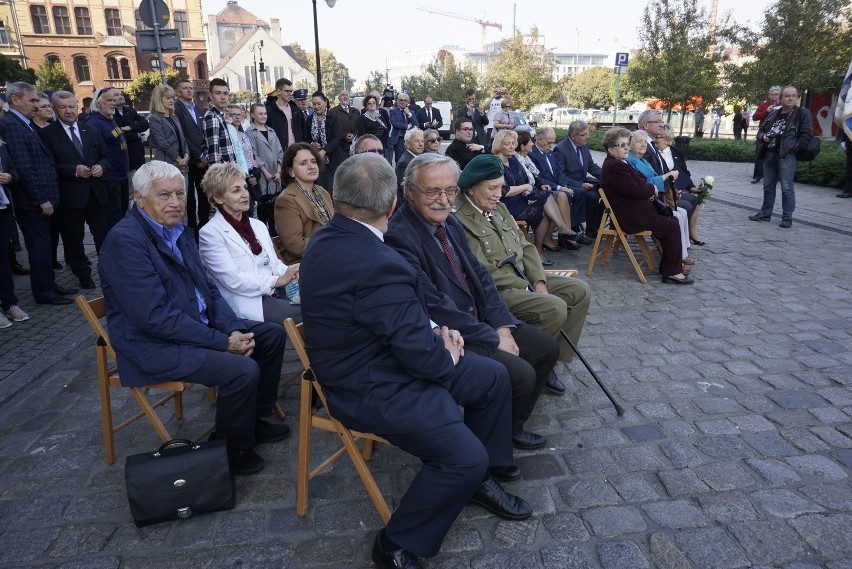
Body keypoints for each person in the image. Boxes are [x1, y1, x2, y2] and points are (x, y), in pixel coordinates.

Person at [300, 152, 531, 569]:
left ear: (337, 200)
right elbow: (424, 359)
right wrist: (442, 345)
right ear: (393, 204)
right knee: (463, 456)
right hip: (368, 383)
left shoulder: (329, 237)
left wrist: (436, 332)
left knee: (493, 378)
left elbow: (390, 317)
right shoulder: (379, 260)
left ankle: (482, 479)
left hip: (380, 355)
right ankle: (396, 544)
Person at [98, 160, 290, 475]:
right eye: (164, 195)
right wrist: (222, 342)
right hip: (152, 344)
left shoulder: (180, 231)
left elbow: (209, 291)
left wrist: (235, 329)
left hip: (192, 328)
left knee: (269, 336)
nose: (175, 202)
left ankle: (253, 419)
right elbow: (155, 318)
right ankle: (232, 448)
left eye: (179, 194)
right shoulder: (126, 242)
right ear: (140, 199)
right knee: (240, 369)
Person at [386, 153, 559, 452]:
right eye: (432, 192)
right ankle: (486, 453)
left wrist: (502, 326)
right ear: (410, 192)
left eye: (450, 190)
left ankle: (510, 427)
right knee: (519, 373)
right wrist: (492, 338)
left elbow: (481, 277)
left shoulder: (449, 223)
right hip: (451, 333)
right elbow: (433, 304)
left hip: (479, 320)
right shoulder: (400, 235)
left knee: (546, 349)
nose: (443, 199)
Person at [453, 154, 591, 395]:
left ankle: (552, 360)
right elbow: (480, 270)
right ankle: (534, 363)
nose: (499, 193)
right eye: (492, 187)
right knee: (554, 307)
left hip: (523, 279)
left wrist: (538, 281)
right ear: (473, 188)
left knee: (579, 291)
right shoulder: (459, 219)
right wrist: (525, 285)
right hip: (498, 290)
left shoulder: (499, 208)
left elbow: (525, 247)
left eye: (501, 186)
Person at [199, 162, 300, 327]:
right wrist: (278, 280)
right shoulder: (210, 233)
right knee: (309, 312)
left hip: (275, 293)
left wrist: (291, 272)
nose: (245, 194)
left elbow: (274, 264)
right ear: (218, 198)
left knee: (323, 299)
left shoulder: (257, 225)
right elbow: (234, 280)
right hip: (249, 302)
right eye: (236, 190)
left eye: (245, 187)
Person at [0, 81, 75, 305]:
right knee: (39, 247)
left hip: (42, 197)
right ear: (15, 100)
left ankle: (49, 284)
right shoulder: (12, 125)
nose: (36, 105)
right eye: (32, 100)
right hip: (31, 202)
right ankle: (43, 291)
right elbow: (24, 167)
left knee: (45, 245)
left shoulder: (25, 123)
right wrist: (41, 199)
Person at [599, 128, 692, 285]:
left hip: (636, 211)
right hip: (631, 216)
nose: (626, 147)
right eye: (621, 145)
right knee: (671, 225)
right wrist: (652, 189)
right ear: (610, 149)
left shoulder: (619, 163)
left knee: (672, 221)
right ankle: (672, 271)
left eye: (627, 143)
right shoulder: (615, 166)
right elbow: (636, 189)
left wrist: (649, 188)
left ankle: (672, 268)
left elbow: (639, 182)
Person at [40, 91, 110, 290]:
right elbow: (48, 165)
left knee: (102, 235)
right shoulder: (46, 134)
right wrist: (74, 170)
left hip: (96, 193)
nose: (68, 111)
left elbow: (105, 157)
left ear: (77, 106)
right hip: (70, 197)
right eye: (63, 107)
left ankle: (108, 271)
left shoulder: (90, 130)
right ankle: (83, 275)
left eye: (72, 106)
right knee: (74, 238)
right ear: (55, 109)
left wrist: (101, 167)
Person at [493, 130, 579, 266]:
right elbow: (504, 191)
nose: (511, 146)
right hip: (504, 204)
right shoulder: (495, 163)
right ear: (499, 145)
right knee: (544, 204)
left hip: (520, 197)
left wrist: (528, 192)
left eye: (513, 143)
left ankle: (540, 247)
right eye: (507, 144)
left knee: (544, 202)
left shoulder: (513, 159)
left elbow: (524, 180)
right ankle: (559, 231)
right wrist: (526, 188)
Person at [748, 85, 813, 228]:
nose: (790, 98)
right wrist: (763, 136)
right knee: (768, 186)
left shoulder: (801, 113)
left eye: (793, 96)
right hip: (770, 153)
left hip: (787, 155)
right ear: (781, 98)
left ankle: (787, 217)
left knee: (787, 187)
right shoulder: (774, 114)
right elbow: (761, 131)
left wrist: (793, 148)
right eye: (787, 96)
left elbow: (807, 134)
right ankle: (765, 213)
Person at [626, 130, 692, 266]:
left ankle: (683, 252)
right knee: (677, 216)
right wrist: (666, 176)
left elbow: (653, 178)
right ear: (630, 145)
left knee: (683, 212)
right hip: (644, 203)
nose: (643, 144)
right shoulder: (630, 161)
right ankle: (679, 256)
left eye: (645, 142)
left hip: (653, 198)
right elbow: (645, 183)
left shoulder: (643, 159)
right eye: (639, 142)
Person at [515, 130, 582, 253]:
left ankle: (564, 233)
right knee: (560, 196)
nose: (551, 146)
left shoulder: (548, 154)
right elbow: (535, 178)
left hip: (542, 188)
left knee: (570, 194)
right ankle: (563, 233)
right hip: (529, 194)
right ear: (539, 140)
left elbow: (557, 173)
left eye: (553, 142)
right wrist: (557, 187)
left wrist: (563, 185)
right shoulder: (528, 156)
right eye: (549, 142)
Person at [274, 143, 333, 263]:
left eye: (313, 161)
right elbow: (296, 247)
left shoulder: (322, 192)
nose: (311, 166)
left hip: (330, 254)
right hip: (308, 262)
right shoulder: (286, 200)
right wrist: (332, 243)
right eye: (303, 163)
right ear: (291, 171)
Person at [87, 88, 130, 230]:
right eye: (109, 100)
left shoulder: (110, 119)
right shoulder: (94, 123)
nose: (113, 103)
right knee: (113, 217)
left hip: (121, 176)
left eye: (114, 100)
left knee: (121, 212)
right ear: (98, 104)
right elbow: (92, 153)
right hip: (109, 179)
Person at [552, 120, 603, 237]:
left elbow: (591, 166)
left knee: (604, 190)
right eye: (583, 135)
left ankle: (593, 227)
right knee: (592, 196)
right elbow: (560, 175)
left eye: (587, 134)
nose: (587, 137)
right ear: (573, 136)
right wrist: (579, 185)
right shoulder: (561, 149)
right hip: (569, 185)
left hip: (583, 182)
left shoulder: (583, 146)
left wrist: (608, 175)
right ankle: (579, 229)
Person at [656, 124, 704, 245]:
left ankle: (689, 233)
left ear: (667, 138)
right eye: (656, 137)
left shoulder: (676, 152)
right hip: (666, 191)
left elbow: (684, 172)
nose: (656, 140)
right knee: (687, 205)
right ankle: (678, 237)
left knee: (695, 200)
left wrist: (691, 187)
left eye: (659, 137)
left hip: (679, 187)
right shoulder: (653, 154)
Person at [174, 79, 210, 233]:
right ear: (178, 92)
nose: (189, 90)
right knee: (189, 198)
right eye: (185, 88)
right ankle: (193, 229)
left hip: (203, 160)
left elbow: (205, 133)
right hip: (188, 160)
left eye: (190, 88)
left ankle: (204, 225)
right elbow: (183, 136)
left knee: (204, 195)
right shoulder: (176, 109)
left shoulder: (199, 109)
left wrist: (205, 154)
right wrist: (198, 155)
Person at [0, 139, 29, 327]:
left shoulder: (2, 146)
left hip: (3, 210)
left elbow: (14, 172)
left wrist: (9, 177)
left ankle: (10, 303)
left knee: (2, 259)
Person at [245, 102, 284, 234]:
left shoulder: (271, 131)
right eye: (260, 113)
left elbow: (280, 151)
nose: (263, 116)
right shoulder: (250, 132)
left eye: (265, 113)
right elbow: (253, 154)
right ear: (252, 115)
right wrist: (266, 172)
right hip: (262, 176)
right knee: (263, 212)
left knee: (275, 213)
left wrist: (279, 171)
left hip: (276, 175)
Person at [147, 84, 190, 180]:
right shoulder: (155, 118)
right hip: (166, 165)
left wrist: (187, 155)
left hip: (182, 165)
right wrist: (179, 159)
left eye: (172, 98)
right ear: (158, 99)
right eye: (168, 98)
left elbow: (183, 139)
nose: (171, 101)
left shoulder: (174, 117)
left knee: (183, 194)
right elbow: (163, 143)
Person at [303, 91, 342, 194]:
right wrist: (312, 144)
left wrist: (324, 150)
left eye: (319, 103)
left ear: (325, 102)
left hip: (332, 158)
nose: (316, 106)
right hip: (316, 158)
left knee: (331, 188)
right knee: (319, 188)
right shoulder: (310, 119)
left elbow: (337, 138)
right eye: (314, 104)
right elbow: (306, 137)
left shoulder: (333, 117)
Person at [750, 86, 782, 184]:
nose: (774, 96)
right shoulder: (764, 105)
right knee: (760, 154)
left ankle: (776, 175)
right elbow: (755, 117)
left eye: (776, 94)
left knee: (777, 155)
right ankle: (757, 176)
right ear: (769, 96)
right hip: (763, 133)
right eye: (772, 94)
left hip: (778, 133)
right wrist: (766, 111)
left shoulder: (783, 105)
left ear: (780, 95)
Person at [203, 78, 239, 166]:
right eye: (218, 93)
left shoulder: (219, 115)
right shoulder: (212, 117)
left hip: (229, 169)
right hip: (223, 173)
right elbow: (213, 154)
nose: (223, 97)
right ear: (211, 96)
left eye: (225, 93)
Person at [264, 78, 305, 150]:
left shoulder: (296, 110)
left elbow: (303, 133)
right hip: (278, 152)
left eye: (291, 91)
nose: (290, 93)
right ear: (279, 91)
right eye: (287, 91)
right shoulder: (269, 111)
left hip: (296, 150)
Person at [356, 94, 390, 160]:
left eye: (374, 103)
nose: (372, 104)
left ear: (376, 105)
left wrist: (384, 145)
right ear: (366, 105)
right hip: (369, 149)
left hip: (380, 148)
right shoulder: (362, 118)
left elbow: (386, 130)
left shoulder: (380, 117)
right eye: (369, 103)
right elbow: (361, 135)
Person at [388, 92, 419, 163]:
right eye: (401, 100)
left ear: (408, 102)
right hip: (399, 138)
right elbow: (395, 123)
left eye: (405, 100)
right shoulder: (393, 111)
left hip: (409, 139)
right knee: (399, 160)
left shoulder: (412, 112)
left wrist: (409, 114)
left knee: (409, 160)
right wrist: (408, 126)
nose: (402, 102)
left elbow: (416, 124)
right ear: (397, 101)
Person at [329, 90, 360, 157]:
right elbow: (332, 129)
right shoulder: (333, 112)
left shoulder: (356, 111)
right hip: (341, 147)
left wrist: (354, 135)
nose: (345, 97)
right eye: (343, 95)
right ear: (339, 98)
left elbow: (359, 127)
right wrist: (344, 135)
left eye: (347, 95)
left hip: (355, 146)